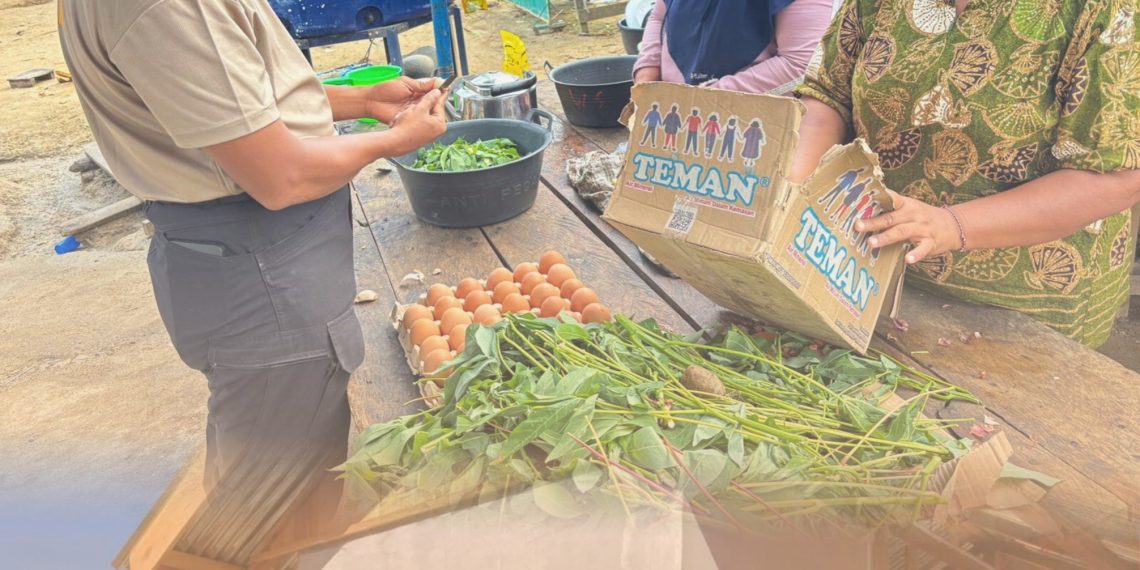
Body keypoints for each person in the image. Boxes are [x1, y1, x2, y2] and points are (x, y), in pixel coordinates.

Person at [57, 0, 447, 520]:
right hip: (263, 266)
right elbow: (280, 176)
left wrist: (363, 99)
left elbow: (236, 107)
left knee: (257, 455)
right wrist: (395, 141)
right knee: (276, 504)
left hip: (229, 253)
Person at [792, 0, 1140, 348]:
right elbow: (828, 96)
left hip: (1016, 313)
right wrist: (793, 189)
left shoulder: (1105, 9)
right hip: (858, 268)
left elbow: (1119, 177)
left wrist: (950, 226)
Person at [633, 0, 835, 95]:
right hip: (670, 114)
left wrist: (699, 99)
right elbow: (659, 15)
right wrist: (646, 76)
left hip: (749, 127)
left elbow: (801, 64)